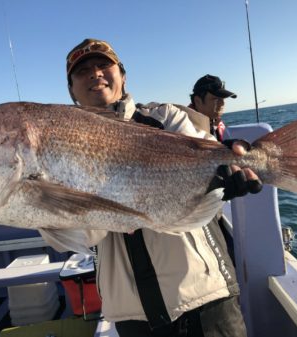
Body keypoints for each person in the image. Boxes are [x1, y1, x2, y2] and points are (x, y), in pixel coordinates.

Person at [53, 38, 261, 337]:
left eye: (103, 65)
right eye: (82, 70)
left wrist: (225, 169)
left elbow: (204, 150)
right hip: (132, 315)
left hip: (205, 296)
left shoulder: (165, 117)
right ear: (71, 90)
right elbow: (83, 235)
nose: (95, 73)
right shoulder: (62, 144)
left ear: (122, 76)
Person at [189, 74, 236, 142]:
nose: (222, 103)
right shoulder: (185, 127)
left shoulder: (215, 123)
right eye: (216, 99)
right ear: (198, 101)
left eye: (223, 99)